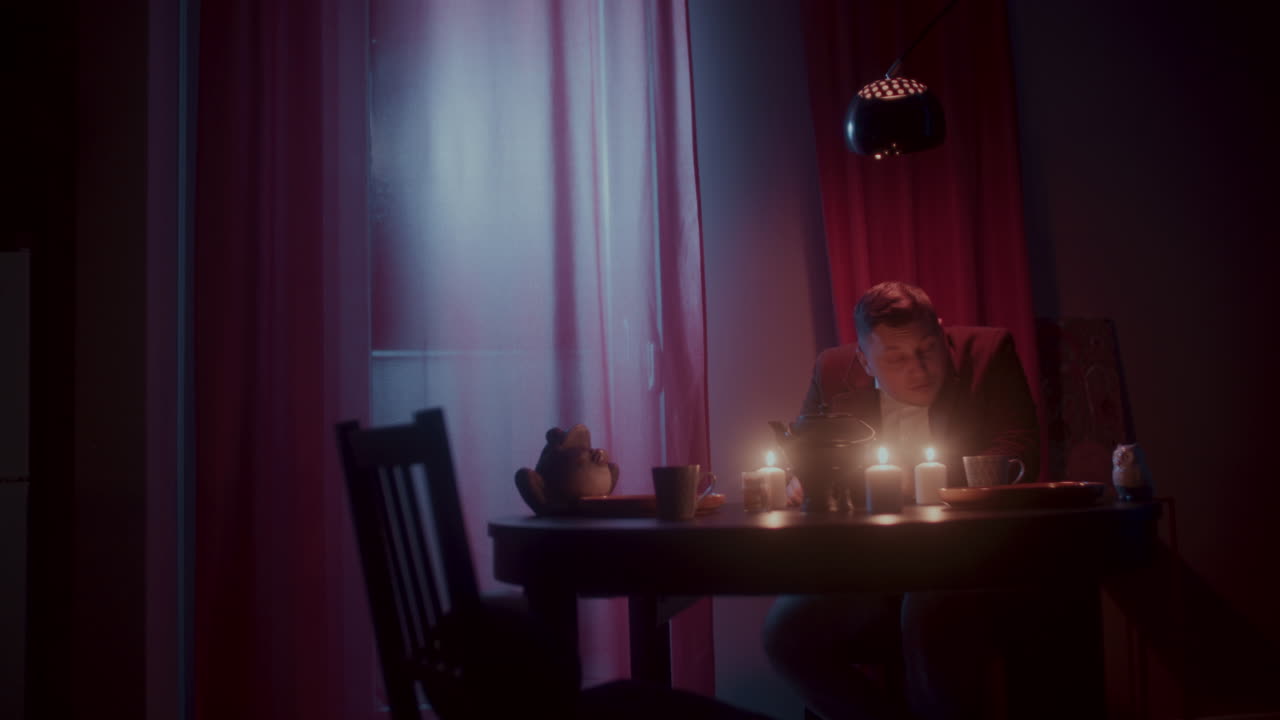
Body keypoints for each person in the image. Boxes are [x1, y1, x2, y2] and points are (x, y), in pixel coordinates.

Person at [763, 281, 1042, 720]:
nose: (919, 369)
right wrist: (799, 478)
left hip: (965, 562)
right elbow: (802, 453)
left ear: (941, 331)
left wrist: (930, 487)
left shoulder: (990, 353)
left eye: (928, 349)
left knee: (931, 613)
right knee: (785, 635)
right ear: (864, 359)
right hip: (864, 567)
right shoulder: (832, 371)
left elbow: (1018, 446)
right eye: (895, 358)